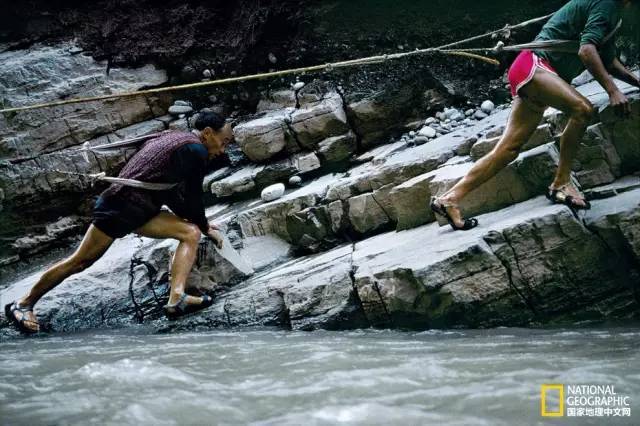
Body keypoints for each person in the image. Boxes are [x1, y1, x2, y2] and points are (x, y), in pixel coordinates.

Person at [5, 111, 234, 333]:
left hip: (138, 208)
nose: (222, 150)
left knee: (189, 233)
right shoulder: (195, 151)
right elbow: (193, 198)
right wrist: (205, 226)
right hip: (120, 207)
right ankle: (23, 304)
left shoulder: (173, 137)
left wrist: (200, 225)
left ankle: (177, 298)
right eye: (223, 142)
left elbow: (168, 190)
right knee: (81, 261)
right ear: (206, 133)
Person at [431, 0, 640, 231]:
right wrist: (613, 91)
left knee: (508, 149)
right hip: (536, 66)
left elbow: (608, 61)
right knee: (583, 110)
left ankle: (449, 199)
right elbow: (586, 50)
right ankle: (561, 183)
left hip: (532, 71)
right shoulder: (606, 4)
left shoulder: (615, 15)